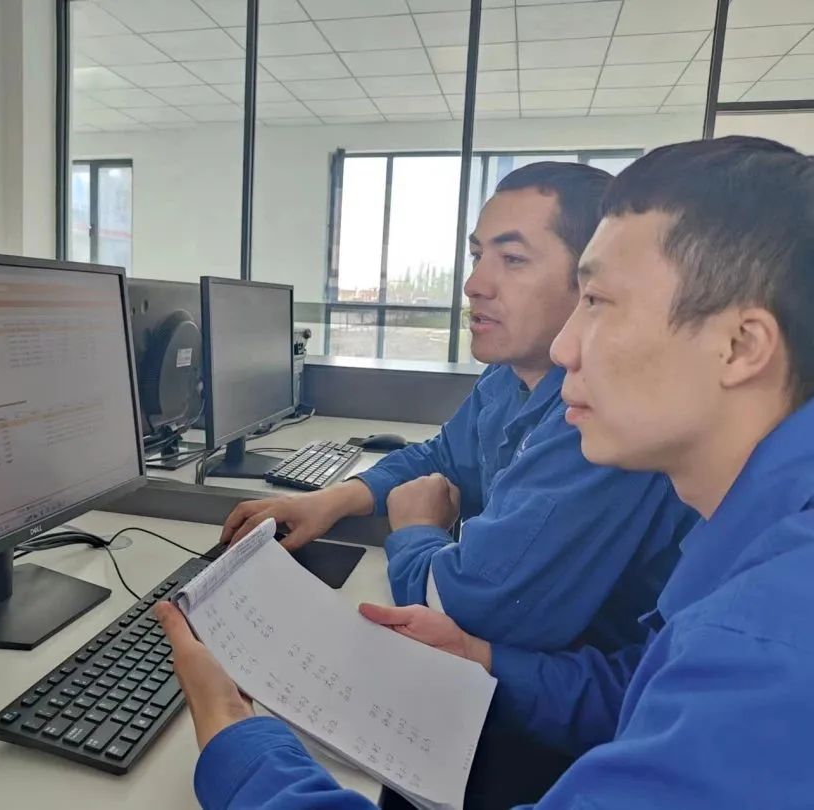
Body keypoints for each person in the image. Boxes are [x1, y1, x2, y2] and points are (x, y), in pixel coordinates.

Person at [157, 135, 814, 809]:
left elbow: (477, 598)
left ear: (741, 347)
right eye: (477, 255)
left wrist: (239, 745)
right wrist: (482, 657)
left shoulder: (773, 642)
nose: (566, 346)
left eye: (596, 301)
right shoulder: (750, 549)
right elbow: (636, 687)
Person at [222, 163, 695, 658]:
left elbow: (465, 609)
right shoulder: (509, 375)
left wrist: (416, 530)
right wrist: (334, 499)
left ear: (590, 281)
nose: (474, 284)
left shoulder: (595, 419)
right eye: (476, 255)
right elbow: (444, 456)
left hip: (577, 690)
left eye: (513, 259)